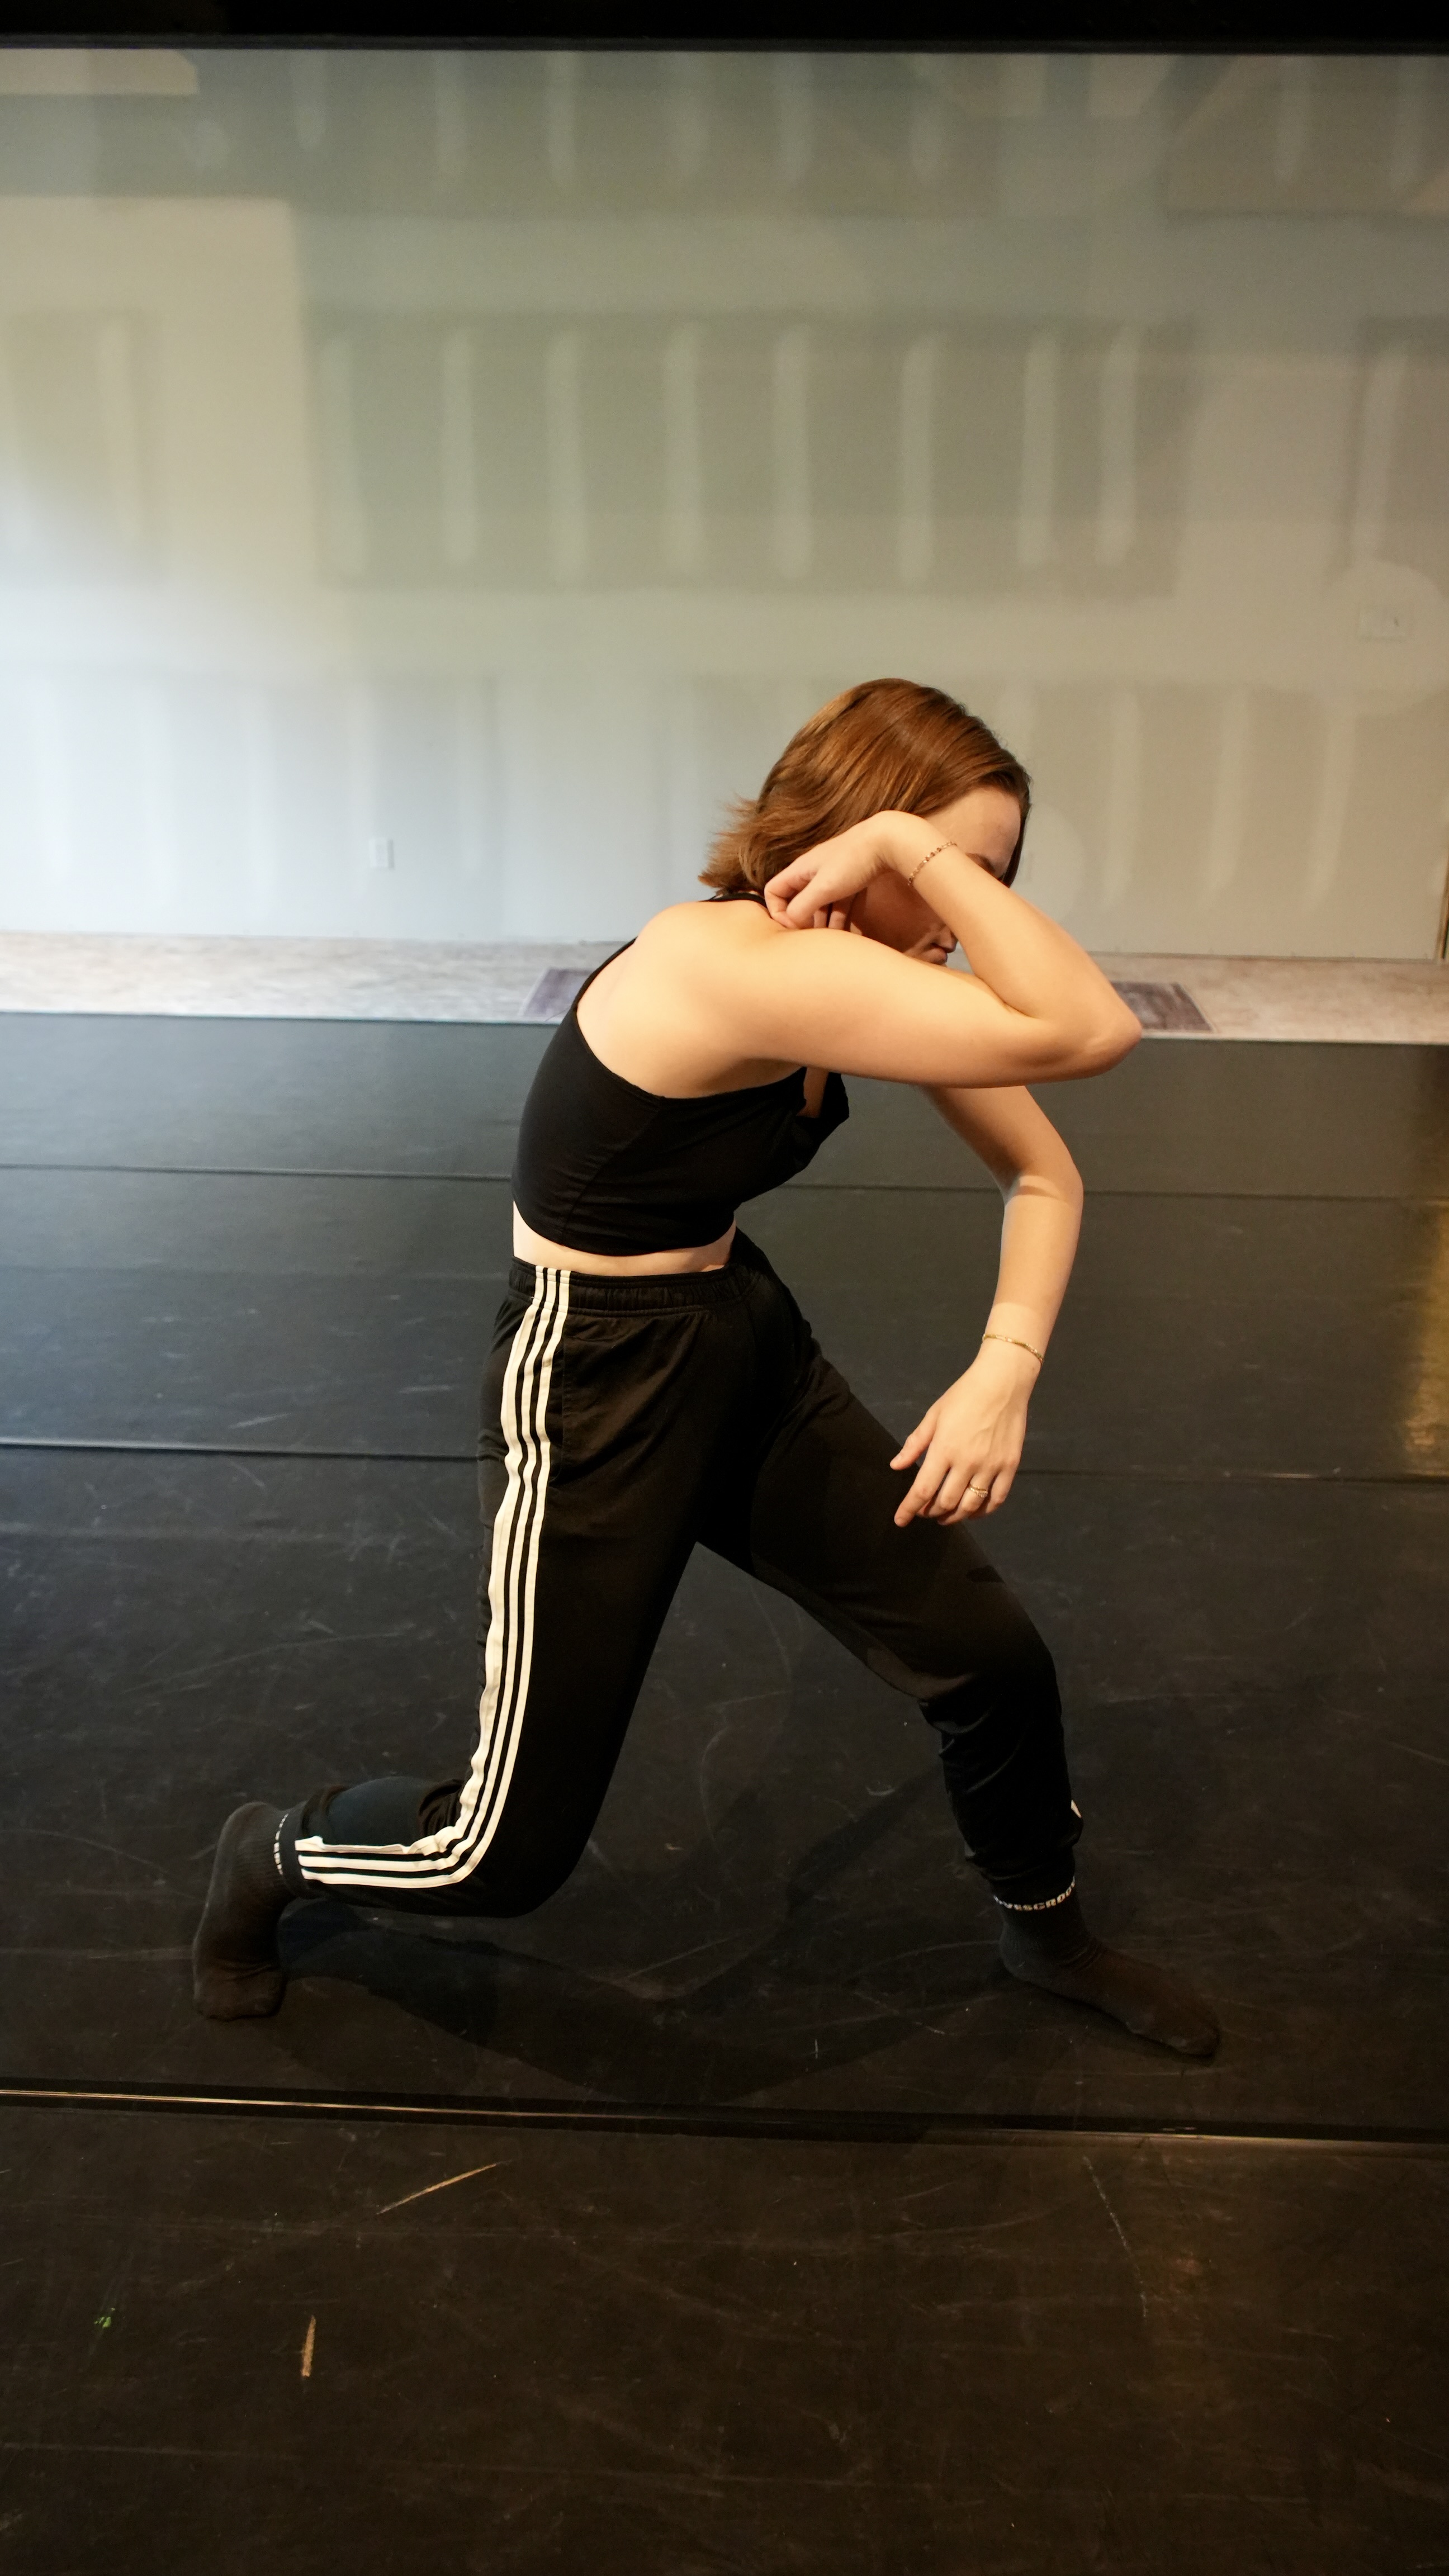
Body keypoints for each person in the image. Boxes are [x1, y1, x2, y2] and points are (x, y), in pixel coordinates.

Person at [193, 678, 1218, 2058]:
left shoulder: (870, 980)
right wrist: (916, 857)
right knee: (503, 1851)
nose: (965, 913)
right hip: (595, 1377)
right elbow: (1090, 1028)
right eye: (955, 868)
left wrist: (1005, 1367)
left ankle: (1047, 1932)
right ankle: (274, 1850)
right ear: (858, 832)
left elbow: (1046, 1170)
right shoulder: (720, 960)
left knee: (990, 1660)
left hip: (739, 1337)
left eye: (998, 880)